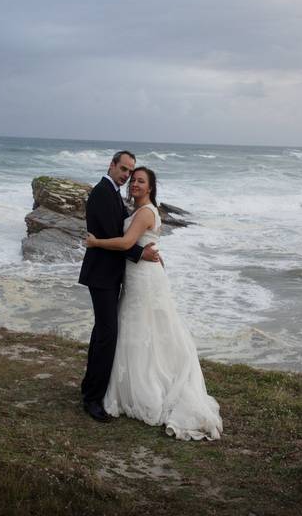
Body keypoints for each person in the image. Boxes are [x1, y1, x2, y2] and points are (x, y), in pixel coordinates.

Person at [86, 167, 222, 441]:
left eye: (140, 181)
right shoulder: (138, 209)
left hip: (144, 278)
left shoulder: (146, 211)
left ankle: (148, 388)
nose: (134, 183)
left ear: (150, 187)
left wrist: (95, 241)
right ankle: (128, 386)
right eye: (131, 178)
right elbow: (139, 242)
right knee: (137, 330)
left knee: (144, 330)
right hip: (138, 275)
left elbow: (126, 242)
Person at [78, 151, 160, 423]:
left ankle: (90, 389)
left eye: (130, 171)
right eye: (123, 169)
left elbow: (123, 235)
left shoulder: (113, 193)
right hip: (101, 275)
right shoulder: (102, 192)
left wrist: (140, 252)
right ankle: (93, 399)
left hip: (109, 276)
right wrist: (139, 254)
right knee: (107, 335)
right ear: (111, 165)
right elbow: (114, 238)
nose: (126, 176)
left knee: (103, 333)